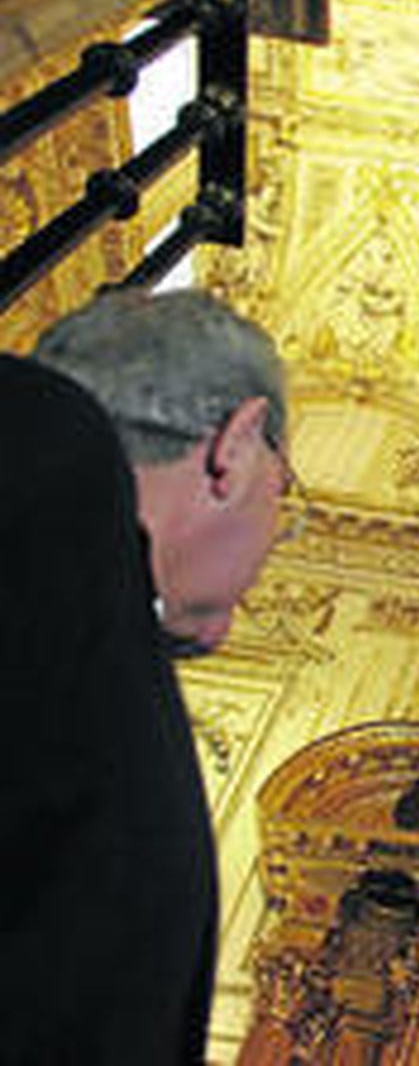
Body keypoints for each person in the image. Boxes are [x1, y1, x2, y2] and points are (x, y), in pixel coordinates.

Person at [0, 288, 293, 1062]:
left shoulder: (92, 605)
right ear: (234, 447)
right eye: (285, 491)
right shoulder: (41, 473)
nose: (277, 538)